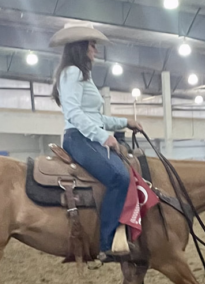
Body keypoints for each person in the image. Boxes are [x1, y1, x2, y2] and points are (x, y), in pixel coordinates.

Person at [50, 22, 143, 261]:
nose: (96, 50)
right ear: (81, 47)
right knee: (119, 177)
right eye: (92, 45)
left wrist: (125, 122)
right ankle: (107, 242)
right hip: (79, 138)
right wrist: (103, 136)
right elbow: (74, 113)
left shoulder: (83, 75)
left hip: (86, 135)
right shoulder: (73, 72)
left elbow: (95, 117)